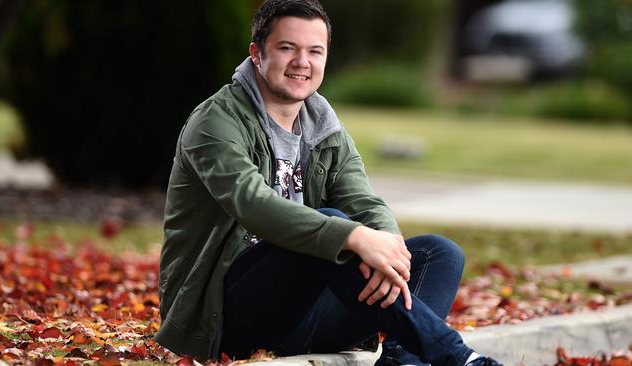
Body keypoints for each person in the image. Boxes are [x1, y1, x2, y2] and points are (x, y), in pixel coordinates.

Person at [155, 1, 503, 365]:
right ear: (257, 54)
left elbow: (364, 202)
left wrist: (391, 253)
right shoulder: (216, 122)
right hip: (227, 316)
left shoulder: (322, 125)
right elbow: (252, 204)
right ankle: (457, 357)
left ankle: (403, 361)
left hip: (307, 311)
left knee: (439, 253)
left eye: (314, 51)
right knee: (333, 225)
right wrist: (351, 236)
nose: (302, 62)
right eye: (287, 48)